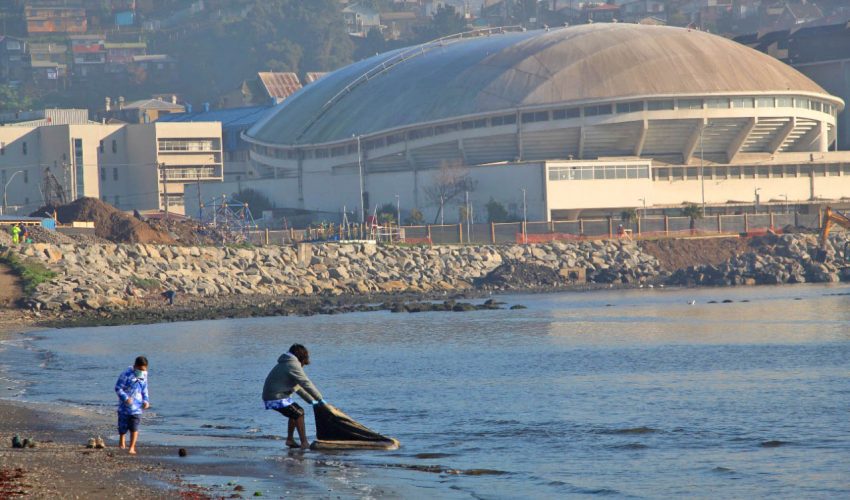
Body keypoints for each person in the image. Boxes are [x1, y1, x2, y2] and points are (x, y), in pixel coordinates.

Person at [262, 344, 325, 450]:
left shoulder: (286, 363)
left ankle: (290, 440)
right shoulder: (292, 365)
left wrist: (311, 401)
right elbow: (305, 383)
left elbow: (297, 387)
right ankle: (304, 443)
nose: (303, 366)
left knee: (294, 413)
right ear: (301, 357)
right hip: (274, 397)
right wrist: (320, 398)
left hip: (275, 396)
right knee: (299, 413)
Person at [114, 356, 150, 455]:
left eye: (144, 370)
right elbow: (118, 388)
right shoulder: (126, 374)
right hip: (124, 407)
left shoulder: (144, 375)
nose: (142, 371)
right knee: (122, 427)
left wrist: (146, 400)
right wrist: (125, 398)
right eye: (140, 369)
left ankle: (132, 447)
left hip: (137, 408)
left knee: (134, 427)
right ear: (135, 367)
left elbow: (144, 389)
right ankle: (122, 441)